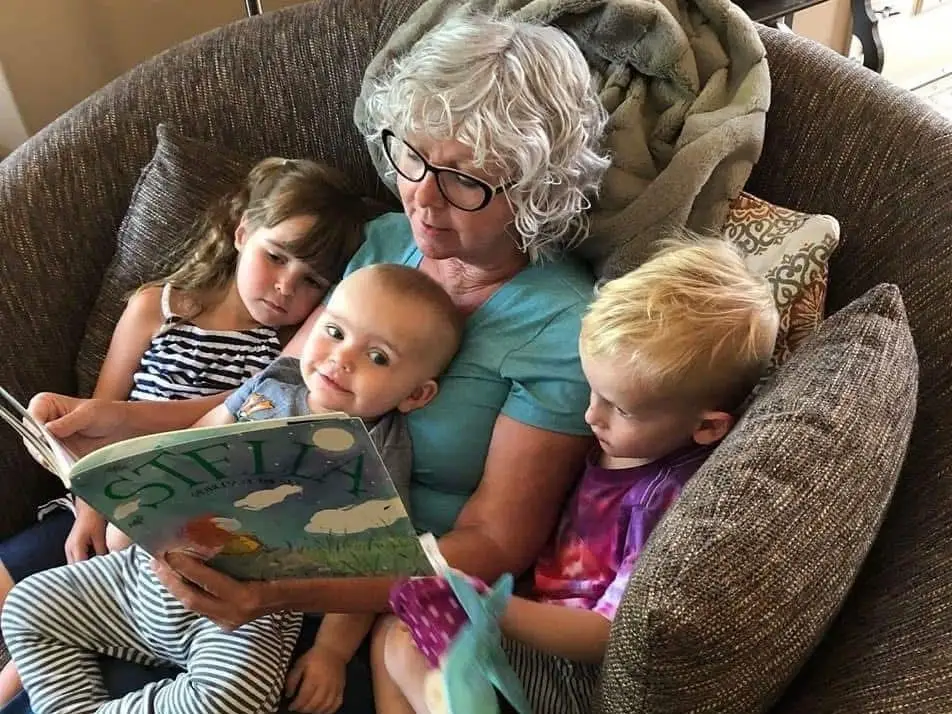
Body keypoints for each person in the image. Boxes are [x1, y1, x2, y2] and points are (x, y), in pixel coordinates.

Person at [1, 13, 611, 714]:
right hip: (243, 538)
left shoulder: (561, 324)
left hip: (371, 599)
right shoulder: (384, 241)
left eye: (465, 181)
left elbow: (496, 543)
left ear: (536, 190)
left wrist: (290, 593)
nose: (421, 196)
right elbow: (269, 397)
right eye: (411, 156)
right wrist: (108, 426)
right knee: (34, 606)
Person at [1, 263, 465, 714]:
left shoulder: (380, 452)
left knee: (237, 698)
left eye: (378, 356)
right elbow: (193, 442)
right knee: (26, 607)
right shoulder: (272, 382)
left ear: (416, 396)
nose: (341, 358)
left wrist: (331, 654)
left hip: (248, 614)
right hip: (143, 575)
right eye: (335, 332)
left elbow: (371, 566)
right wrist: (127, 486)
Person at [0, 156, 369, 709]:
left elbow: (254, 420)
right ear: (243, 232)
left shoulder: (291, 353)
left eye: (312, 281)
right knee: (21, 582)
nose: (285, 287)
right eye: (275, 257)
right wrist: (91, 507)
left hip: (196, 526)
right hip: (104, 499)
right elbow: (103, 414)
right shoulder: (158, 306)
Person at [379, 235, 782, 714]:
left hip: (572, 670)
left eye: (620, 408)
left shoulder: (658, 500)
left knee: (403, 643)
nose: (591, 416)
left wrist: (494, 607)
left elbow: (604, 636)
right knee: (394, 630)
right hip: (537, 620)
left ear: (707, 427)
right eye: (593, 391)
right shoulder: (622, 443)